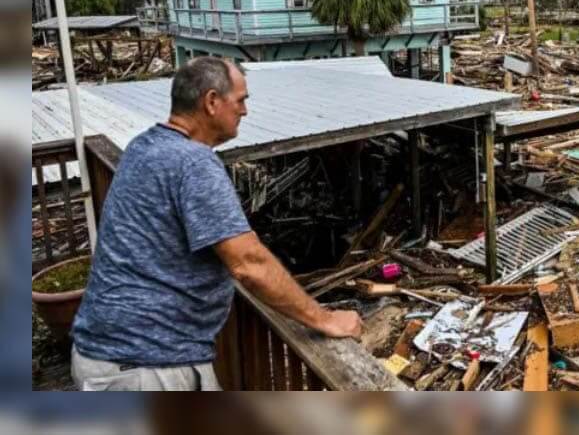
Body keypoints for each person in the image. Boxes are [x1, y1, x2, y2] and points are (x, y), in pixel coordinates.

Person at [71, 56, 361, 391]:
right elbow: (248, 263)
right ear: (211, 102)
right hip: (145, 365)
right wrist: (325, 319)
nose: (245, 111)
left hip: (114, 356)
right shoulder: (193, 162)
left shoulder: (144, 146)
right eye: (240, 100)